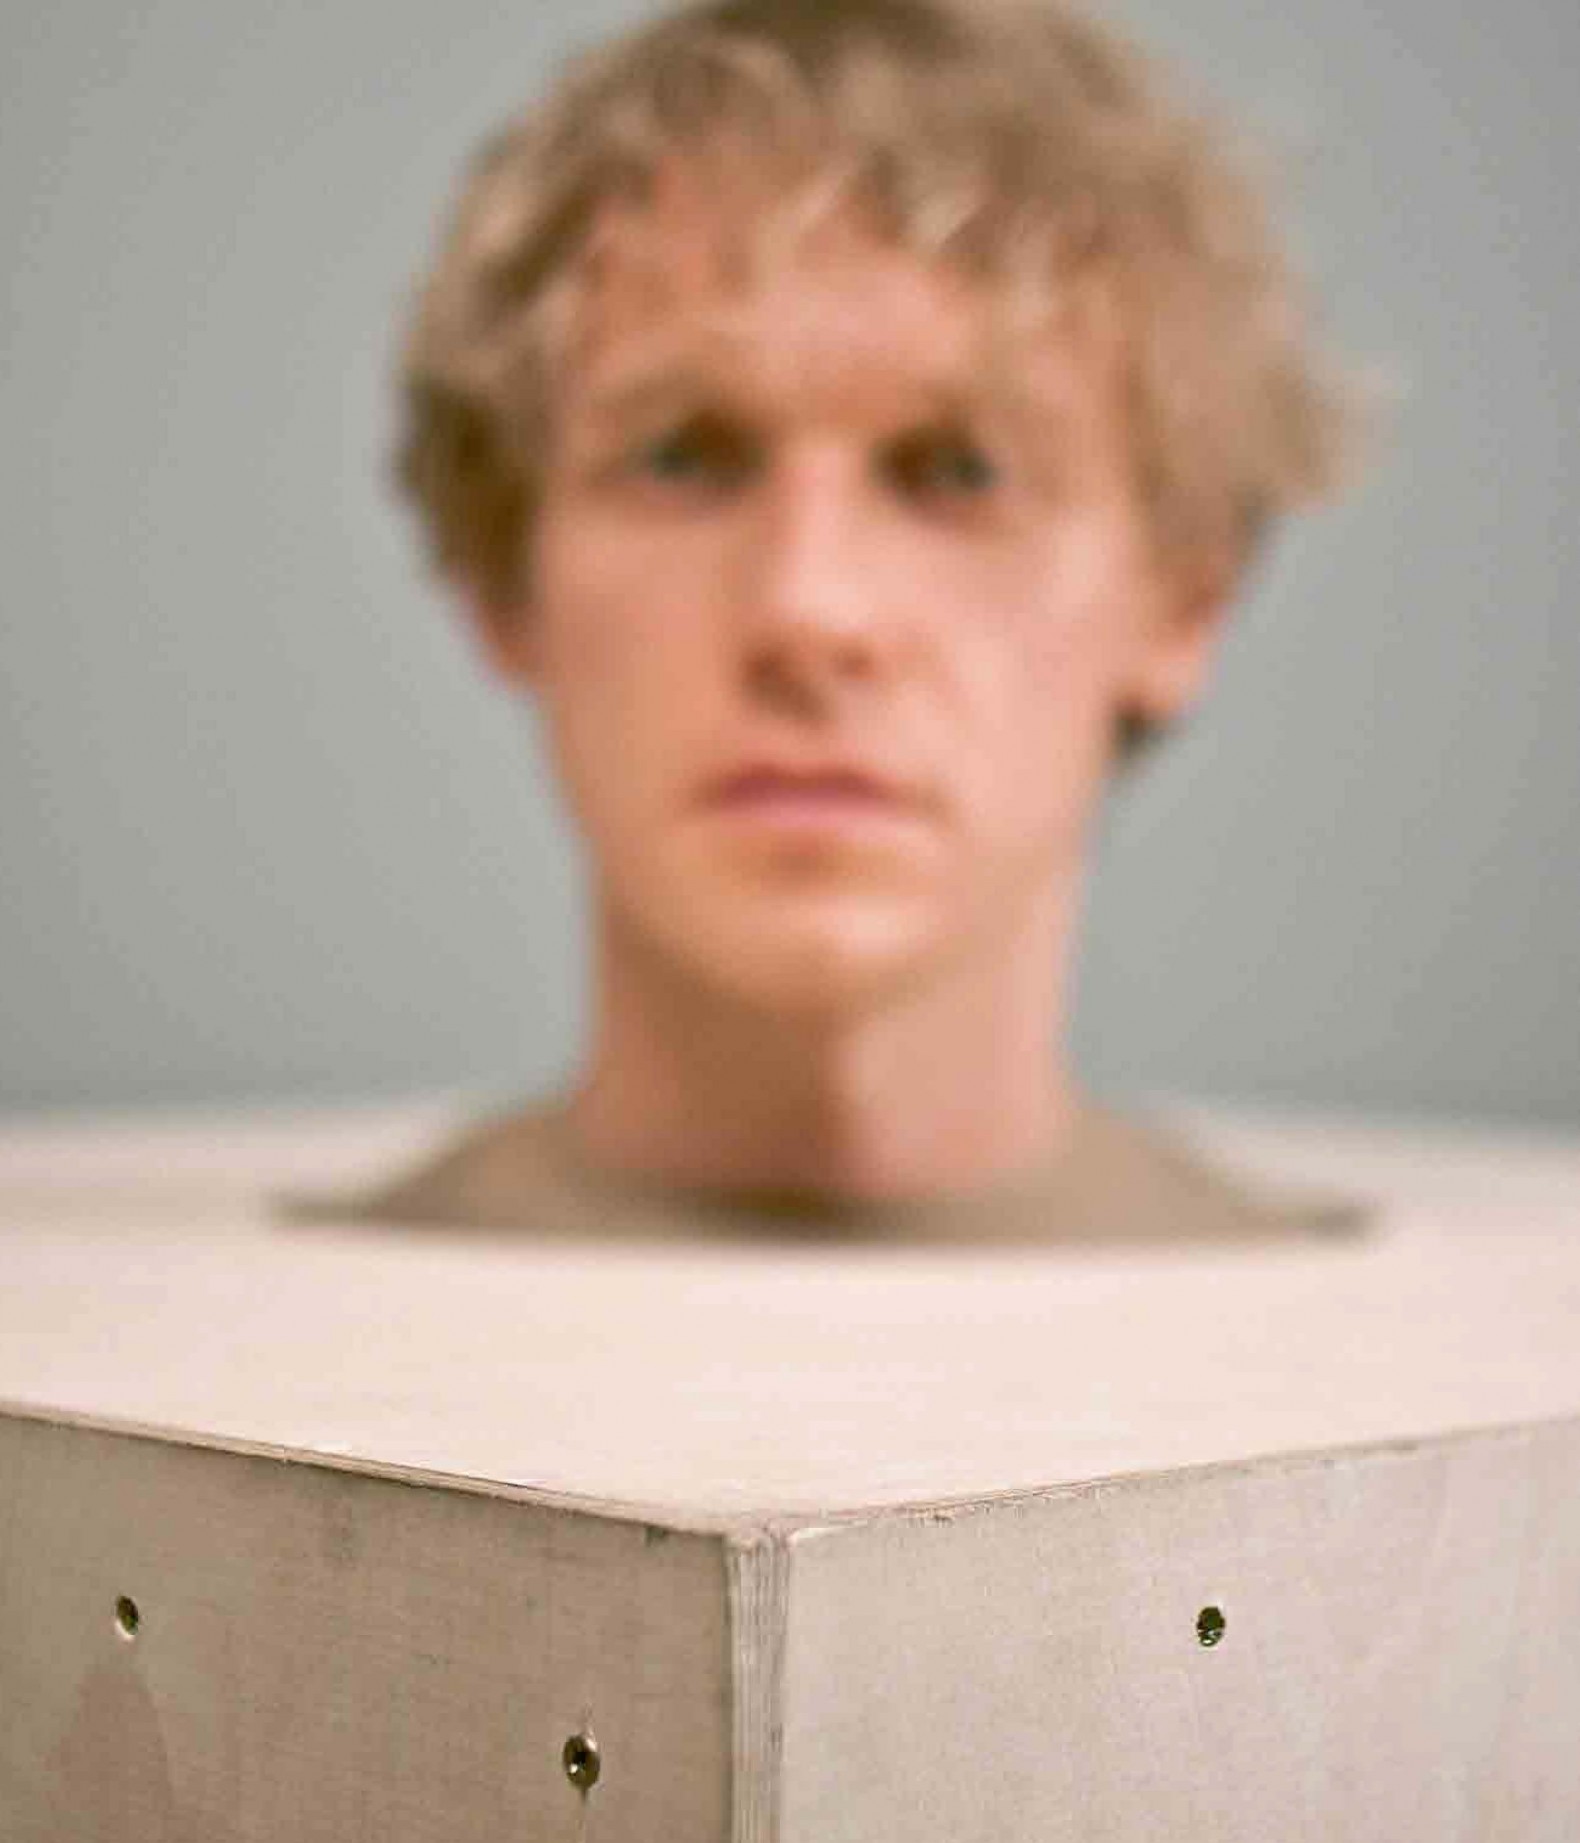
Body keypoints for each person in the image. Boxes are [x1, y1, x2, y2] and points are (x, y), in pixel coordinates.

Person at [294, 0, 1378, 1247]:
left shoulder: (1412, 1340)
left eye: (960, 471)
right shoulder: (230, 1336)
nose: (808, 606)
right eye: (681, 458)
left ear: (1183, 599)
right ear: (502, 576)